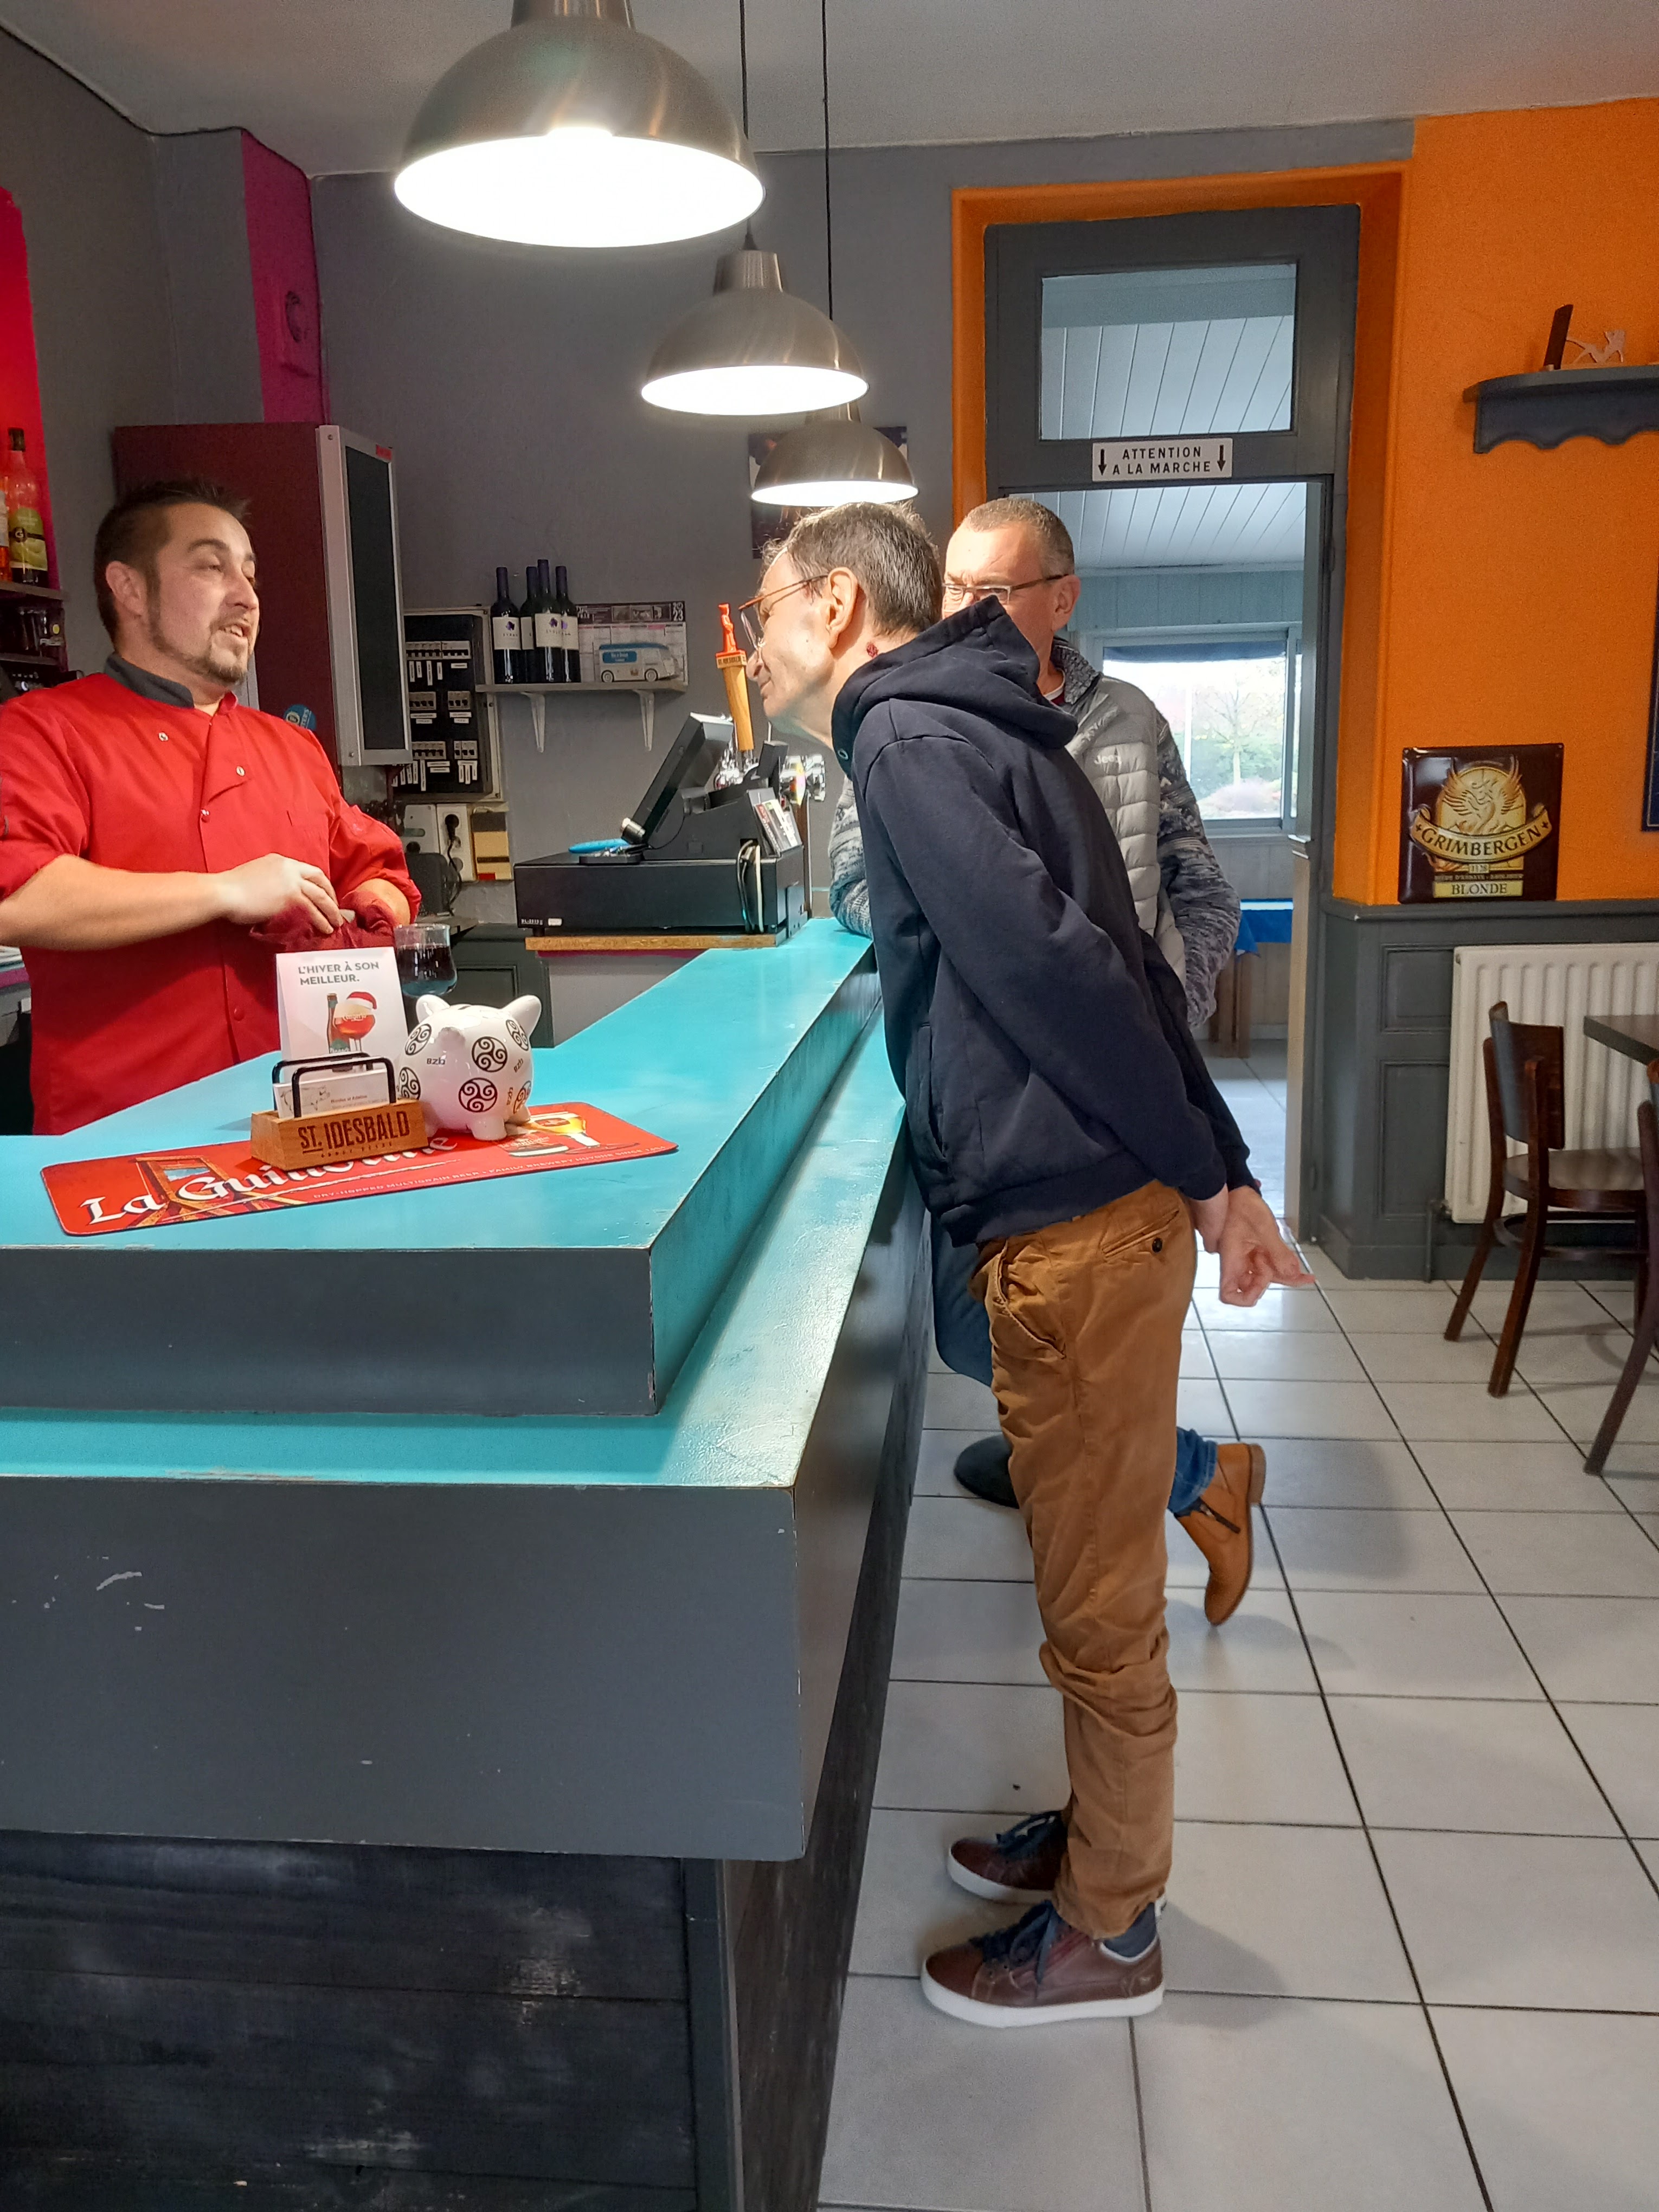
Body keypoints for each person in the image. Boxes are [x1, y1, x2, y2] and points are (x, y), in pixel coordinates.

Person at [747, 501, 1311, 2025]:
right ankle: (1097, 1844)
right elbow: (1123, 957)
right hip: (1095, 1217)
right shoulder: (992, 719)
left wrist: (1211, 1173)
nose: (754, 638)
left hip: (1075, 1231)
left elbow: (1064, 972)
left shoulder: (902, 738)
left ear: (838, 605)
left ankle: (1109, 1934)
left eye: (765, 606)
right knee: (1086, 1576)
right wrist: (1219, 1168)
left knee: (1098, 1606)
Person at [829, 496, 1263, 1626]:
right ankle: (1179, 1470)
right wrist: (954, 902)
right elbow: (856, 879)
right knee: (975, 1326)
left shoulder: (1126, 720)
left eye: (993, 592)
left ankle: (1164, 1476)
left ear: (1059, 599)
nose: (966, 611)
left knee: (1083, 1348)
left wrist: (1167, 1013)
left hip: (1119, 1085)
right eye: (954, 589)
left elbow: (1198, 884)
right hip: (1000, 1084)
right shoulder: (915, 725)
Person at [0, 479, 417, 1134]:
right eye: (211, 567)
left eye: (250, 574)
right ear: (129, 588)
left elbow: (381, 875)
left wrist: (360, 920)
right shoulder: (42, 732)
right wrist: (225, 892)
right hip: (122, 1139)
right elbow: (16, 897)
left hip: (309, 1124)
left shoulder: (293, 747)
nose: (246, 596)